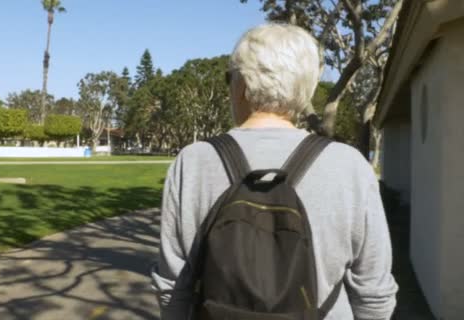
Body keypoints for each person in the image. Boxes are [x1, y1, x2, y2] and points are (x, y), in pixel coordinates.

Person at [151, 24, 398, 320]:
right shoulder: (349, 165)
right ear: (304, 88)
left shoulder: (194, 162)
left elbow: (173, 286)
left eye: (229, 78)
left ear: (241, 85)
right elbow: (373, 291)